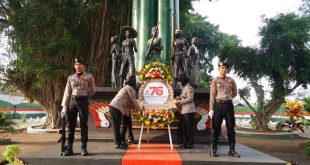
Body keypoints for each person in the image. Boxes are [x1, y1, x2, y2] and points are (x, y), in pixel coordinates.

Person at [61, 58, 96, 156]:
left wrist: (85, 97)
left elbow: (93, 90)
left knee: (83, 124)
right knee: (70, 124)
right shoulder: (70, 77)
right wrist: (64, 106)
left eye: (80, 64)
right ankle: (69, 147)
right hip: (72, 101)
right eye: (76, 64)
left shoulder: (89, 77)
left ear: (84, 66)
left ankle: (83, 148)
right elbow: (67, 92)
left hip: (83, 101)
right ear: (74, 66)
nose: (78, 66)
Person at [209, 61, 240, 157]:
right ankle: (213, 149)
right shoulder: (215, 80)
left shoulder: (231, 80)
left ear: (227, 69)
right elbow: (212, 95)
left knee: (231, 128)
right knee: (216, 129)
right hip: (218, 106)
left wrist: (227, 97)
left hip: (228, 106)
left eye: (226, 67)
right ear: (218, 69)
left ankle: (232, 150)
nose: (224, 69)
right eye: (222, 67)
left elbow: (235, 92)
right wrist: (211, 109)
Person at [109, 76, 141, 149]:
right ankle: (117, 143)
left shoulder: (127, 88)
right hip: (116, 107)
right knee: (116, 126)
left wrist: (134, 107)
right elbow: (133, 100)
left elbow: (130, 103)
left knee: (125, 123)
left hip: (120, 108)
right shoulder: (128, 88)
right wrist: (139, 110)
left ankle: (121, 141)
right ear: (133, 82)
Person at [175, 73, 196, 149]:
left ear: (184, 80)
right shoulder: (184, 88)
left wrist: (180, 102)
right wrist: (178, 99)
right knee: (184, 128)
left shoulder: (189, 87)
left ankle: (190, 144)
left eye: (181, 80)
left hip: (189, 111)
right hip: (184, 110)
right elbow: (183, 98)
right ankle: (185, 143)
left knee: (189, 128)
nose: (180, 82)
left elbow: (190, 99)